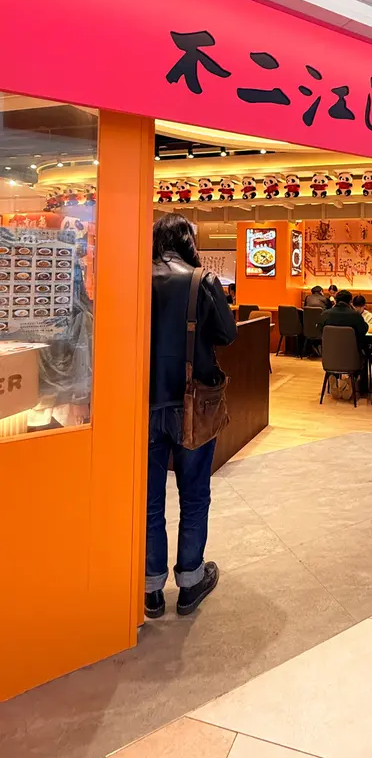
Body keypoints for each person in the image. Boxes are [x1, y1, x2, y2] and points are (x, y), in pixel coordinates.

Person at [145, 215, 237, 618]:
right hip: (192, 404)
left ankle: (150, 588)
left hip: (143, 404)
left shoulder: (137, 278)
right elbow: (227, 335)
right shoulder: (203, 281)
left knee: (149, 500)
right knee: (194, 495)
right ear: (187, 241)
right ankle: (189, 581)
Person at [319, 288, 369, 396]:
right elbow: (364, 330)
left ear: (336, 300)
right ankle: (355, 384)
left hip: (330, 358)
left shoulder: (325, 314)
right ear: (350, 302)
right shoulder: (355, 316)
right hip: (351, 359)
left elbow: (319, 330)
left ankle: (333, 378)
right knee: (365, 354)